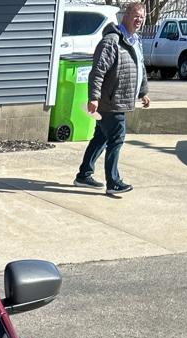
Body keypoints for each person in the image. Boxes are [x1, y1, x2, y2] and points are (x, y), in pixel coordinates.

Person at [75, 2, 151, 195]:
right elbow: (97, 71)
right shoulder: (111, 41)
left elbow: (139, 67)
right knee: (117, 138)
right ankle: (113, 182)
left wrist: (143, 91)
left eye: (142, 17)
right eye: (136, 15)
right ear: (125, 16)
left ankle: (84, 175)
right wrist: (94, 97)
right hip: (110, 101)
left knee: (100, 137)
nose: (139, 20)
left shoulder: (134, 41)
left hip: (120, 99)